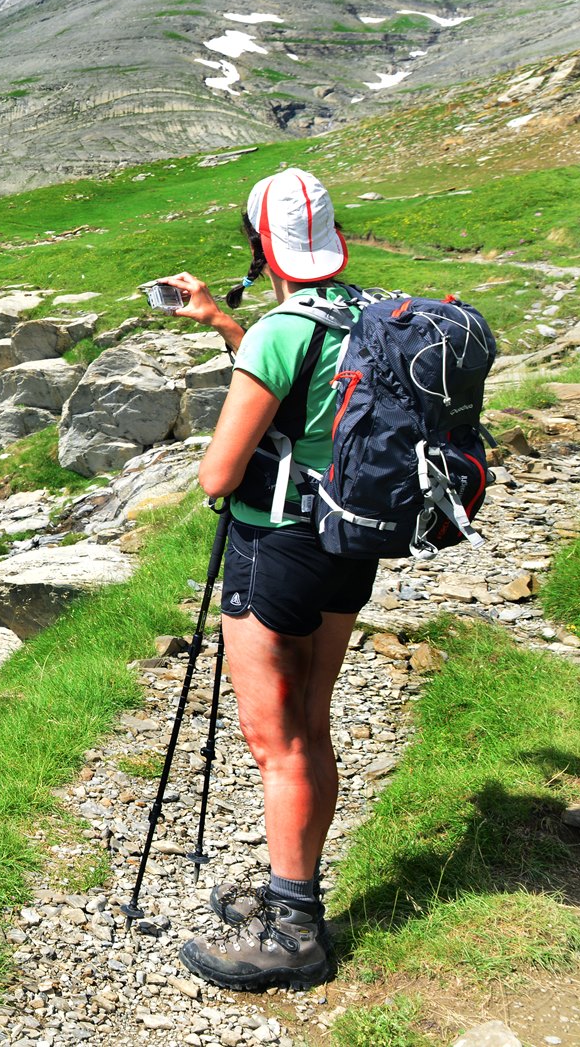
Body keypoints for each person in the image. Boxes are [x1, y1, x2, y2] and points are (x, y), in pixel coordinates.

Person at [152, 167, 372, 992]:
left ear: (261, 243)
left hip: (274, 547)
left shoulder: (285, 332)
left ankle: (292, 935)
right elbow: (306, 378)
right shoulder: (367, 314)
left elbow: (218, 473)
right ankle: (296, 896)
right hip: (348, 544)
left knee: (273, 741)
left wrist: (242, 344)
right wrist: (222, 322)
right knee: (311, 724)